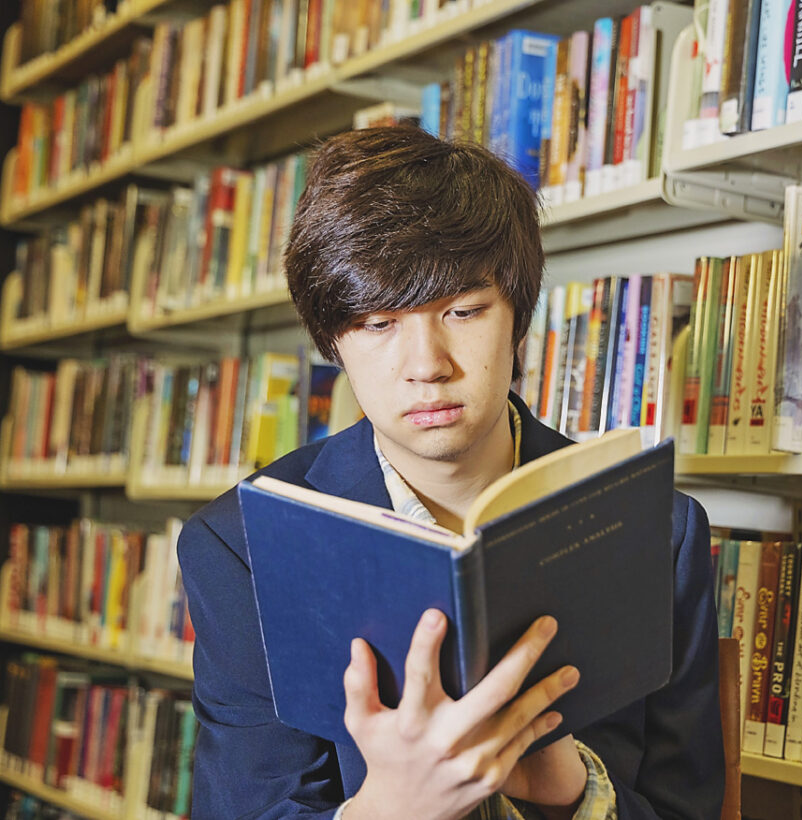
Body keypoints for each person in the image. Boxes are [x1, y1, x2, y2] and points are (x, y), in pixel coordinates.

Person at [177, 125, 724, 820]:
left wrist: (577, 795)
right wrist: (391, 809)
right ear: (333, 342)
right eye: (378, 324)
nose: (427, 363)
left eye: (463, 311)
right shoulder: (239, 547)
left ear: (518, 320)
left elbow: (688, 806)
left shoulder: (658, 528)